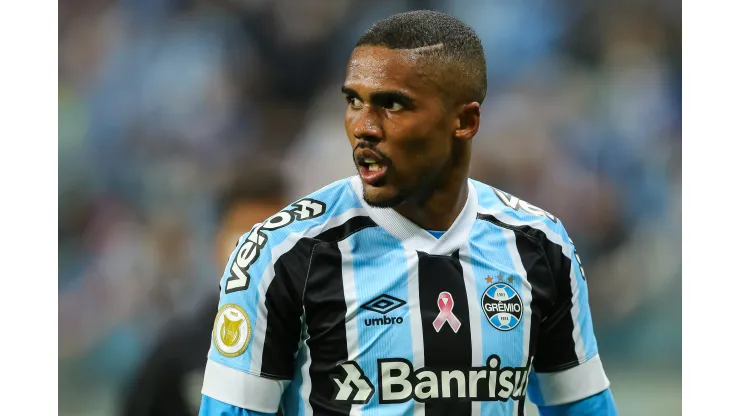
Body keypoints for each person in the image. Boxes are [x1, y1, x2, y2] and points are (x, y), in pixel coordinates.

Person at [199, 10, 618, 416]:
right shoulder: (282, 253)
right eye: (353, 100)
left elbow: (581, 407)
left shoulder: (541, 246)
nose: (363, 125)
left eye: (393, 105)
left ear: (465, 121)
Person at [121, 167, 288, 416]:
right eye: (245, 240)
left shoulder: (329, 347)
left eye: (277, 240)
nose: (259, 257)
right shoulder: (175, 356)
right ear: (217, 245)